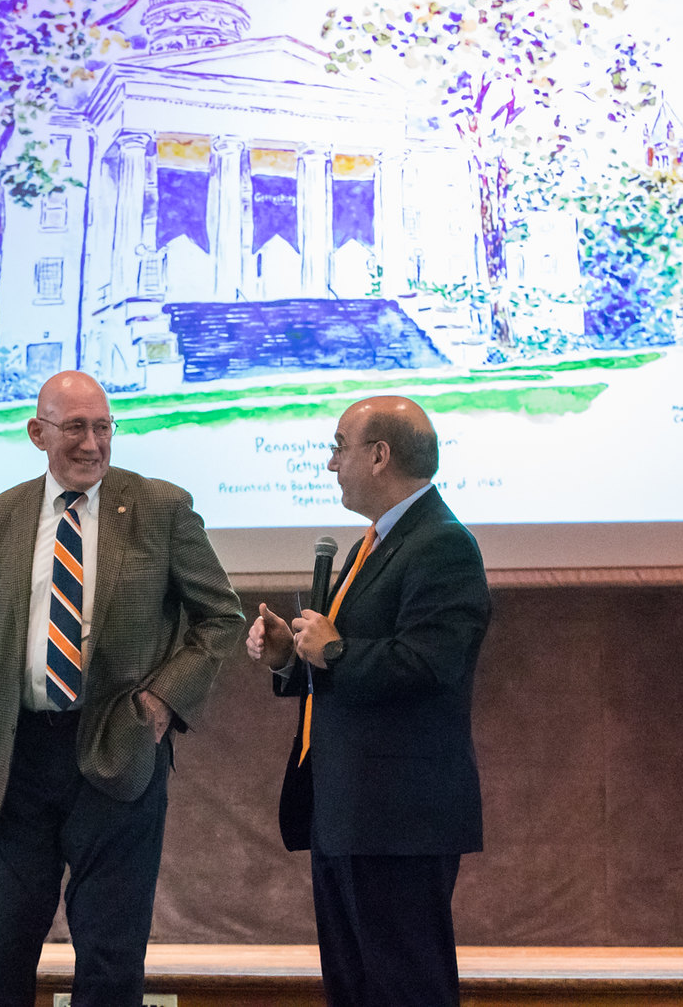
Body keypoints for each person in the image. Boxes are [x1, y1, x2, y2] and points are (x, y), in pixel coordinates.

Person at [0, 370, 244, 1007]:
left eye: (103, 427)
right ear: (37, 433)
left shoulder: (161, 508)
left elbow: (221, 617)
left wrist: (160, 702)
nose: (92, 444)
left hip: (120, 749)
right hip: (18, 760)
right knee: (3, 948)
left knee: (110, 953)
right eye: (75, 427)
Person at [246, 395, 489, 1007]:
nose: (330, 465)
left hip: (399, 818)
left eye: (338, 448)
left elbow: (433, 665)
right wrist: (289, 655)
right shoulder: (376, 542)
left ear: (379, 456)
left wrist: (334, 652)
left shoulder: (442, 545)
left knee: (407, 990)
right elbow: (345, 667)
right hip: (346, 809)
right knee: (353, 991)